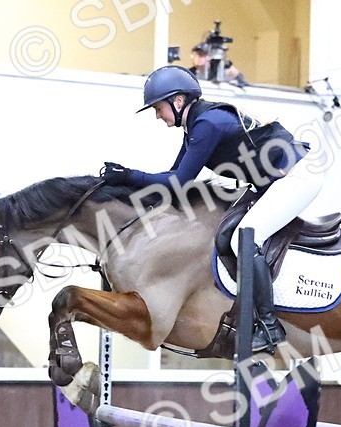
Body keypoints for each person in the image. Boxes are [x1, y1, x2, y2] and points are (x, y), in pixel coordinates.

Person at [99, 65, 324, 353]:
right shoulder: (197, 125)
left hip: (297, 177)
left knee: (244, 237)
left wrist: (128, 176)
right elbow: (173, 179)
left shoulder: (208, 125)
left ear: (178, 101)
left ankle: (269, 325)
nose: (157, 116)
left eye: (158, 108)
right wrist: (128, 185)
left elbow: (178, 182)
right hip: (273, 181)